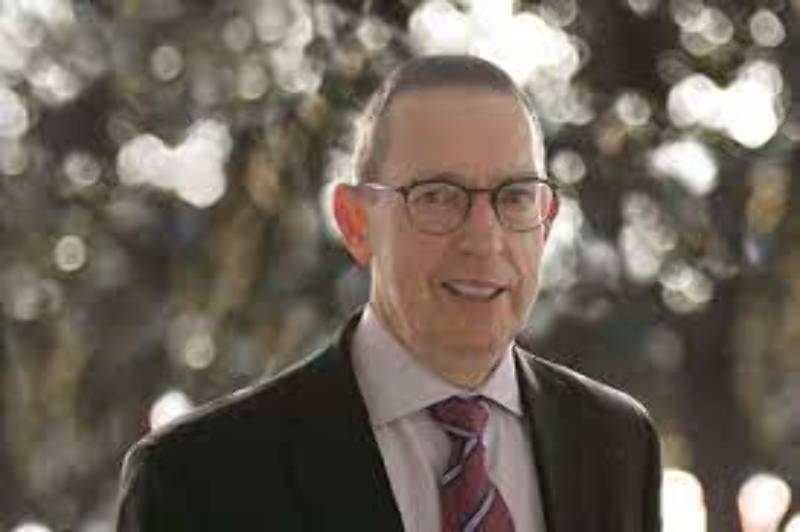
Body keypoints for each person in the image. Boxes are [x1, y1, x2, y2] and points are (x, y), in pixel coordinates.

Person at [116, 55, 662, 531]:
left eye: (515, 196)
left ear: (546, 221)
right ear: (356, 223)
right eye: (438, 196)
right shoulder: (198, 476)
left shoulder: (617, 443)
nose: (483, 238)